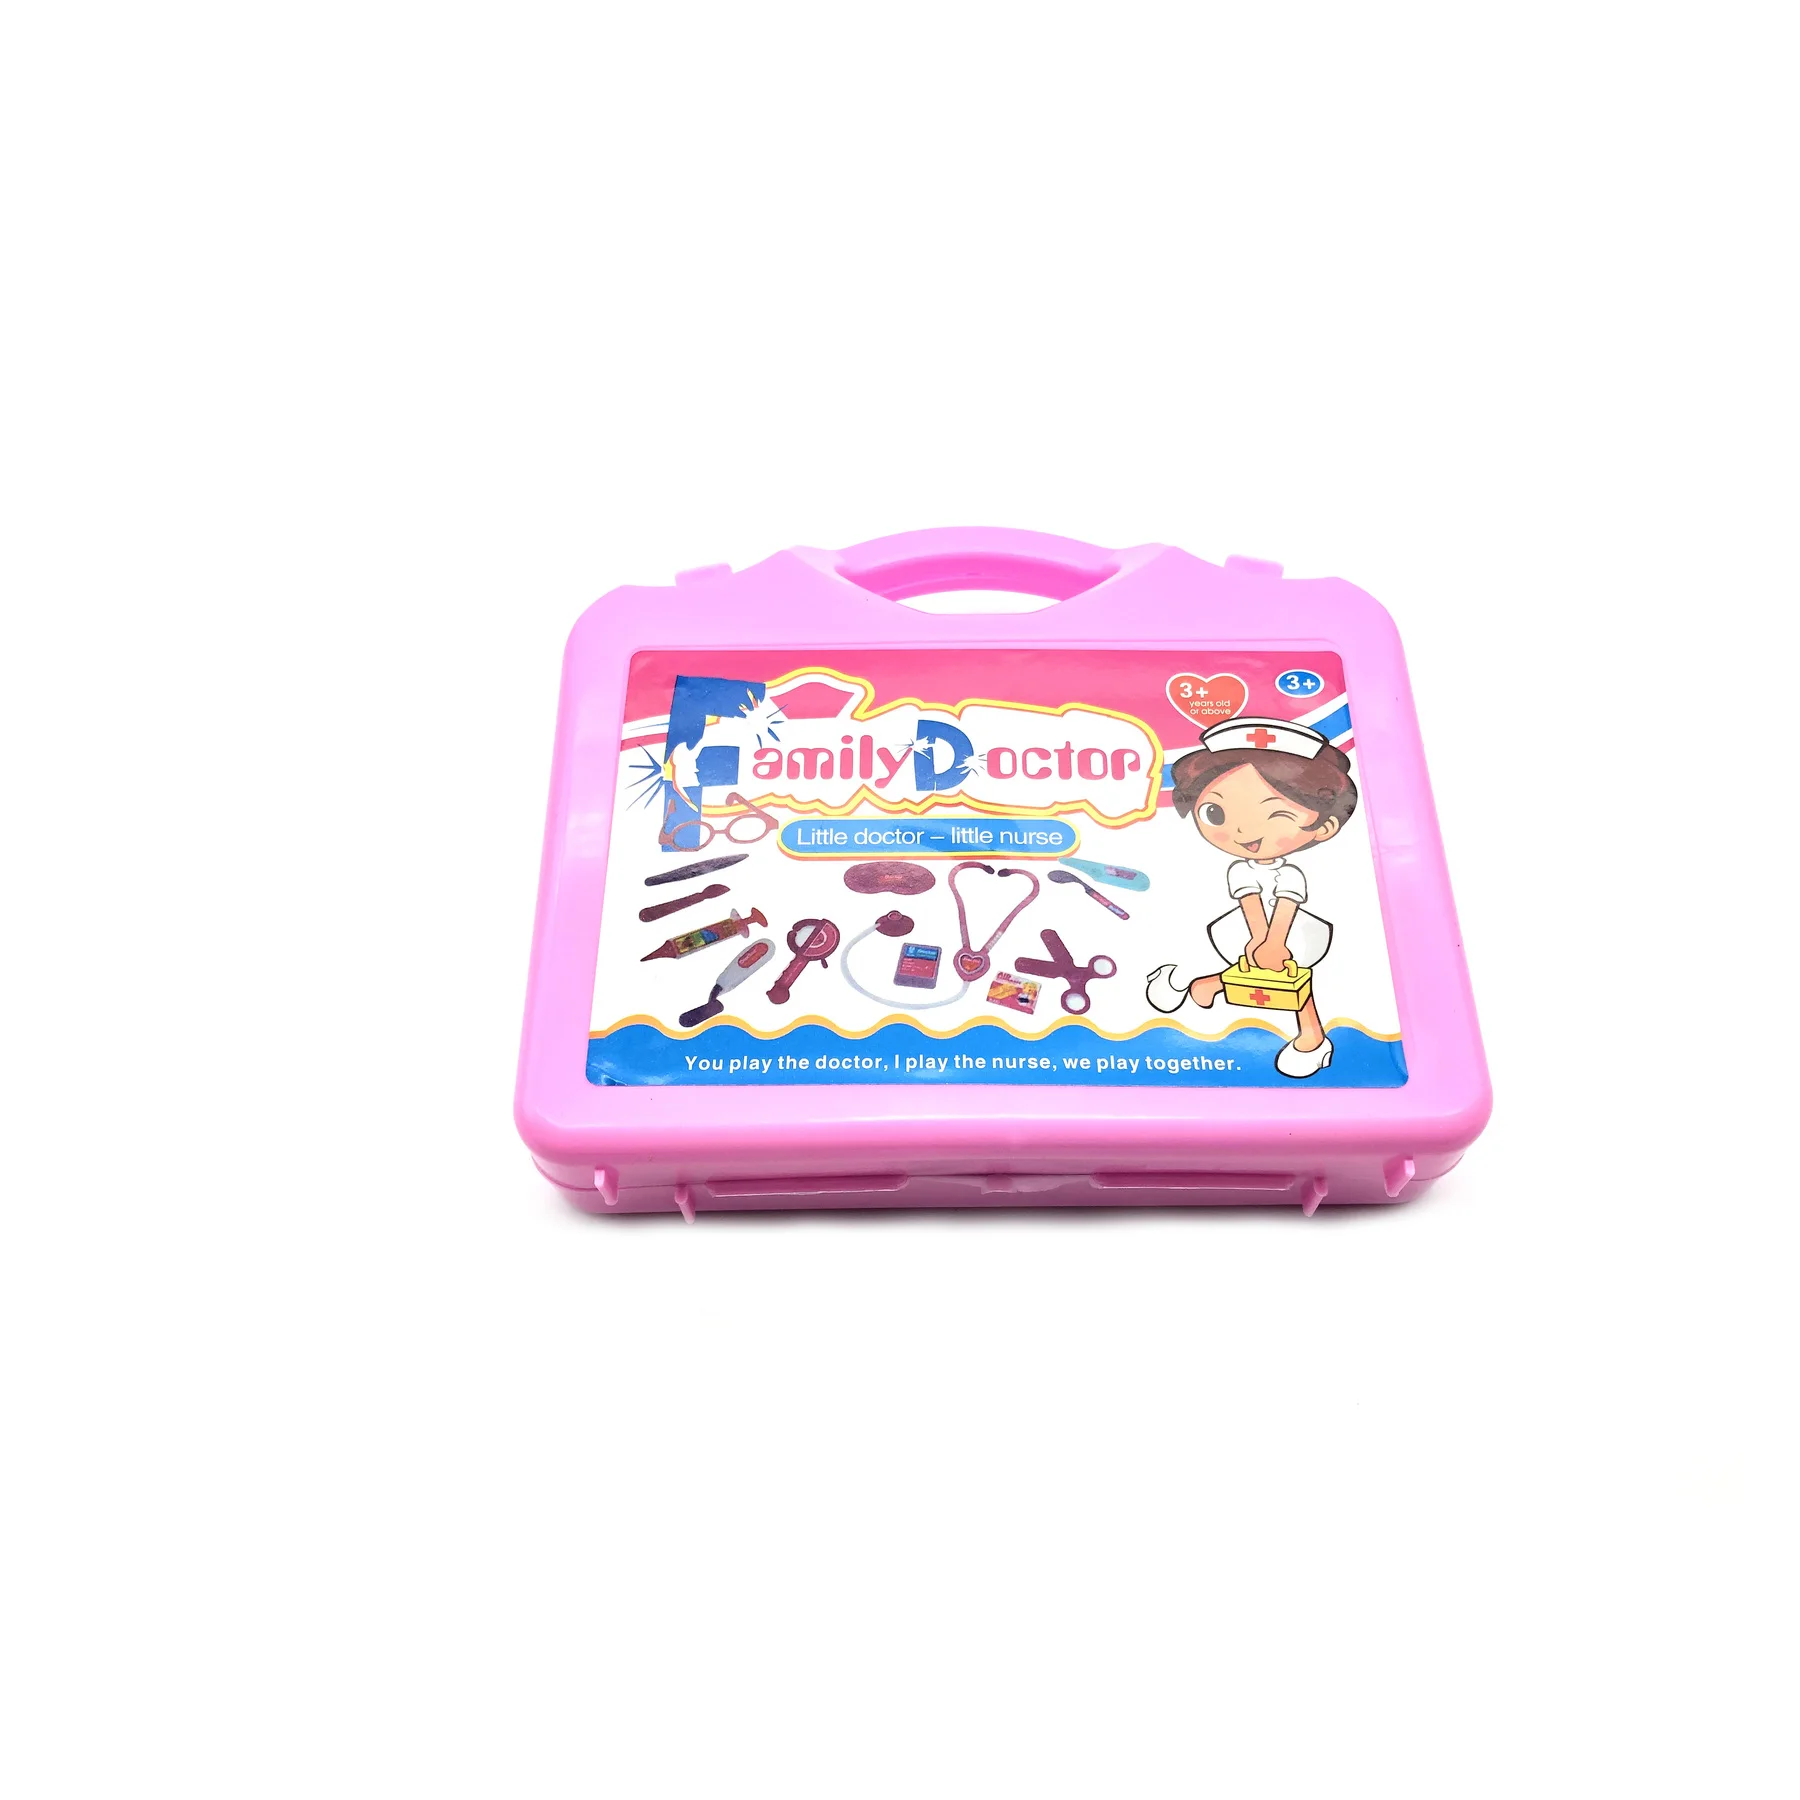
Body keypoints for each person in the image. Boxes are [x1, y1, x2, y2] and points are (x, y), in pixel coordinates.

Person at [1145, 716, 1358, 1078]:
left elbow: (1287, 908)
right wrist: (1260, 941)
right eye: (1215, 812)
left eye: (1276, 814)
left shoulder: (1290, 875)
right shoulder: (1240, 871)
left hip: (1294, 930)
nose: (1243, 830)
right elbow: (1250, 904)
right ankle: (1196, 983)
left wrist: (1274, 943)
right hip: (1247, 926)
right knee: (1250, 963)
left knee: (1293, 974)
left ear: (1325, 826)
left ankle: (1312, 1038)